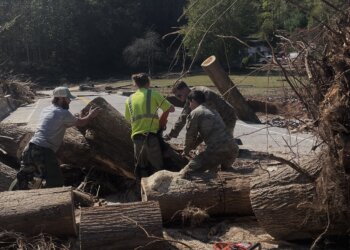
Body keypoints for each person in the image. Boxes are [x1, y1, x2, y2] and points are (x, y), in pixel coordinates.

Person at [14, 86, 101, 190]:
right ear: (61, 99)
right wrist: (90, 116)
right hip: (43, 151)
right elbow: (81, 123)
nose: (69, 101)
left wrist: (79, 117)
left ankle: (13, 196)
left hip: (29, 148)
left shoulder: (46, 110)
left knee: (24, 178)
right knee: (56, 181)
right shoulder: (62, 113)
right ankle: (50, 203)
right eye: (68, 99)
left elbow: (62, 124)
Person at [125, 73, 175, 178]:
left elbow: (128, 119)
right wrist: (162, 121)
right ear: (148, 83)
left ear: (135, 84)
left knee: (142, 168)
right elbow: (171, 109)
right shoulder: (152, 93)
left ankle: (142, 189)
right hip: (151, 137)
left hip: (137, 139)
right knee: (158, 169)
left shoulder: (129, 100)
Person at [179, 90, 239, 178]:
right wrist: (194, 146)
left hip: (217, 150)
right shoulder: (212, 110)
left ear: (193, 101)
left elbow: (190, 136)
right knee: (216, 169)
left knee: (187, 171)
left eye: (189, 103)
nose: (189, 106)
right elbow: (204, 135)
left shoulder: (195, 113)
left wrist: (186, 151)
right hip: (233, 150)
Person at [164, 80, 237, 140]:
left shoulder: (204, 94)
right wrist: (171, 134)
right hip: (219, 117)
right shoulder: (190, 97)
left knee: (223, 143)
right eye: (178, 98)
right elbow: (183, 117)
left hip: (227, 116)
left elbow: (210, 117)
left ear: (185, 89)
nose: (181, 99)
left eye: (179, 96)